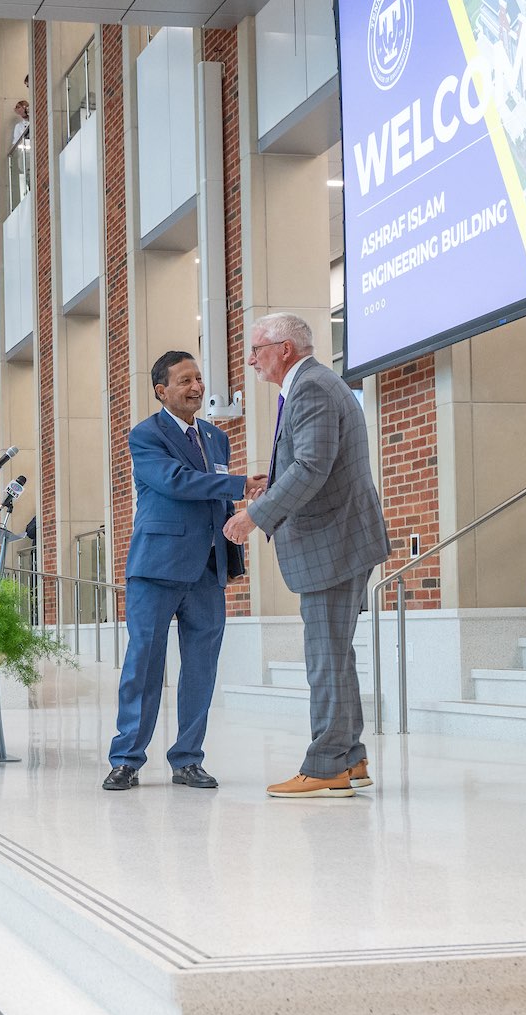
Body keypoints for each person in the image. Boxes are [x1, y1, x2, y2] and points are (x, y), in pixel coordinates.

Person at [225, 313, 390, 799]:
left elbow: (312, 466)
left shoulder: (313, 387)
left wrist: (255, 516)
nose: (251, 359)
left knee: (324, 656)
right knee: (335, 653)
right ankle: (351, 757)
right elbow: (311, 464)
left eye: (257, 349)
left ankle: (325, 768)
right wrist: (268, 487)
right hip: (338, 539)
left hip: (333, 542)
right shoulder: (312, 384)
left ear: (285, 350)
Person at [102, 352, 250, 792]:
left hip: (207, 570)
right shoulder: (146, 435)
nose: (196, 387)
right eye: (185, 380)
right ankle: (126, 759)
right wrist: (241, 484)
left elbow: (216, 501)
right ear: (161, 390)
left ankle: (187, 759)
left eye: (200, 378)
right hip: (157, 568)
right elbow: (175, 481)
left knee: (201, 668)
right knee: (143, 665)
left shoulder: (216, 437)